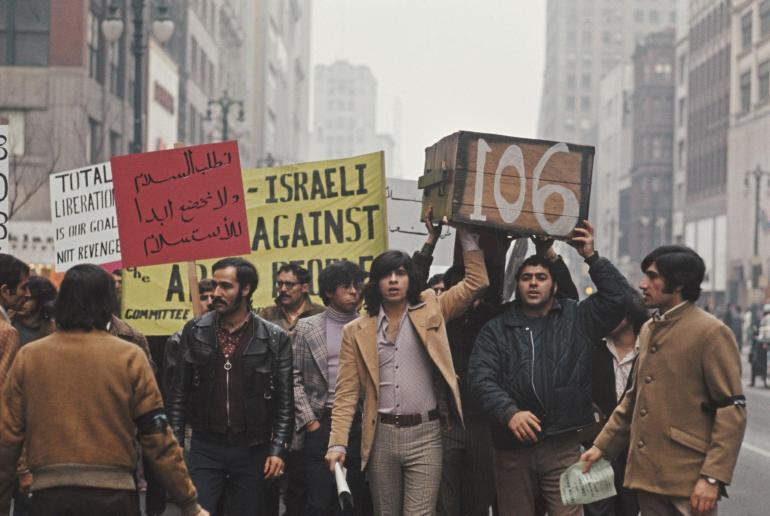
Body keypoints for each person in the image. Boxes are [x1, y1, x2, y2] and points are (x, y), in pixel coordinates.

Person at [0, 264, 206, 515]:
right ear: (108, 302)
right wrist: (189, 502)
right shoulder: (130, 356)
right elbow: (157, 436)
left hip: (50, 495)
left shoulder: (30, 357)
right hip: (114, 495)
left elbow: (7, 437)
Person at [468, 221, 629, 516]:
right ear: (517, 285)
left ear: (553, 284)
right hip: (511, 449)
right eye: (526, 277)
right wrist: (509, 413)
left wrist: (591, 257)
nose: (532, 282)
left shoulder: (577, 318)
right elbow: (481, 378)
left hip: (563, 447)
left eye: (541, 277)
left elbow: (620, 298)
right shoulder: (497, 328)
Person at [326, 227, 489, 516]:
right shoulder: (356, 330)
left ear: (408, 279)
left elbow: (476, 282)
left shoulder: (432, 309)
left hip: (427, 434)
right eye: (386, 275)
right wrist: (337, 442)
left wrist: (467, 235)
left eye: (400, 274)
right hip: (380, 437)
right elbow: (347, 392)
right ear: (374, 284)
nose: (393, 280)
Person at [582, 245, 747, 516]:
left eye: (652, 276)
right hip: (647, 479)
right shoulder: (648, 329)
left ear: (679, 283)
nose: (642, 284)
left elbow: (731, 410)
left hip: (688, 481)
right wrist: (601, 446)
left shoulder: (711, 332)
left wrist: (712, 477)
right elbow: (633, 399)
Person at [167, 257, 293, 515]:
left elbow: (284, 400)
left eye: (225, 286)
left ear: (246, 289)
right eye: (215, 285)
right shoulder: (194, 330)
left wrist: (278, 448)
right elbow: (179, 392)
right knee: (197, 511)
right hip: (205, 445)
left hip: (252, 447)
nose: (216, 293)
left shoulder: (274, 337)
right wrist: (176, 442)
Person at [293, 260, 369, 515]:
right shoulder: (308, 327)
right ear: (328, 292)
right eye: (345, 287)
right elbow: (293, 377)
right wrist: (310, 422)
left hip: (361, 423)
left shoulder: (369, 325)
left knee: (356, 500)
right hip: (321, 422)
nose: (353, 292)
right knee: (320, 501)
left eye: (357, 286)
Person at [584, 290, 649, 516]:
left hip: (638, 449)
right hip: (599, 445)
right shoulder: (594, 348)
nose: (602, 317)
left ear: (627, 315)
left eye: (608, 311)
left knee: (630, 509)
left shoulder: (651, 349)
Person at [260, 263, 325, 333]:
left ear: (304, 288)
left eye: (289, 284)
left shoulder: (321, 314)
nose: (283, 289)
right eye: (280, 284)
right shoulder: (268, 314)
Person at [0, 254, 29, 387]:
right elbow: (4, 387)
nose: (28, 294)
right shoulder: (8, 332)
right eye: (23, 287)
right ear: (5, 291)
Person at [11, 276, 56, 348]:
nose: (22, 302)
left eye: (28, 299)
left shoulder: (52, 329)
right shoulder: (8, 320)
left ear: (40, 299)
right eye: (21, 297)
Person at [752, 303, 770, 388]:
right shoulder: (764, 320)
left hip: (764, 344)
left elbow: (763, 333)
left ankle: (756, 381)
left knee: (758, 362)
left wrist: (764, 342)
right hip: (765, 343)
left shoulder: (764, 319)